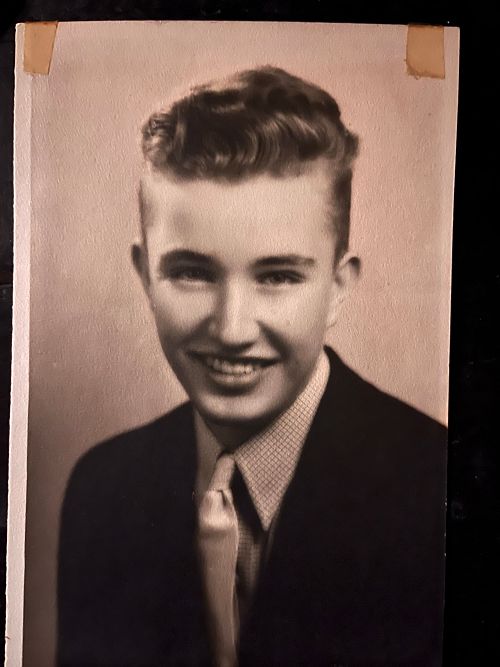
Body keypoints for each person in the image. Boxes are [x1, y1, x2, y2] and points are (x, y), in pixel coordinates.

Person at [57, 66, 447, 667]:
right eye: (192, 272)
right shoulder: (102, 491)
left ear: (338, 288)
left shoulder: (438, 487)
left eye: (278, 276)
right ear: (146, 277)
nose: (232, 330)